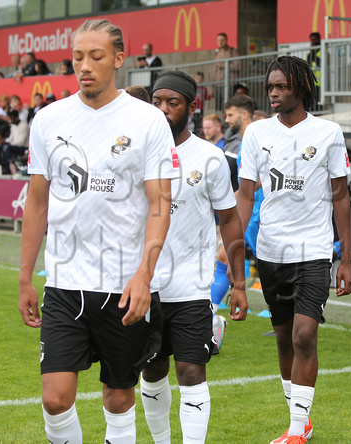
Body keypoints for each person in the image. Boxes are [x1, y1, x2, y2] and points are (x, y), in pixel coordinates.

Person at [17, 19, 177, 443]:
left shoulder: (147, 121)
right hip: (65, 282)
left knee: (119, 399)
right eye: (77, 58)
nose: (84, 66)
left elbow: (160, 203)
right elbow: (36, 202)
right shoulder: (48, 119)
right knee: (55, 398)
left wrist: (144, 273)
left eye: (97, 56)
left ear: (119, 59)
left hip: (124, 284)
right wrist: (24, 277)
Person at [237, 55, 351, 443]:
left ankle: (295, 431)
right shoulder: (255, 134)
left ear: (301, 88)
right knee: (285, 337)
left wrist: (347, 259)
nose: (273, 93)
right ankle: (299, 420)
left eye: (281, 86)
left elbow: (340, 197)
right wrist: (233, 245)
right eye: (270, 87)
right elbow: (245, 195)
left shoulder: (328, 132)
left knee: (305, 335)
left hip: (314, 250)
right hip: (270, 251)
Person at [140, 70, 247, 444]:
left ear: (191, 107)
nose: (163, 109)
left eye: (173, 102)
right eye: (157, 102)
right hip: (144, 289)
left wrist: (239, 282)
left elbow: (231, 221)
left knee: (190, 371)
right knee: (152, 371)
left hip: (192, 288)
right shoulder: (136, 153)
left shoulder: (211, 158)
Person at [209, 95, 256, 348]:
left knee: (227, 259)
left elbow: (259, 179)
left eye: (230, 115)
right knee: (224, 258)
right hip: (246, 212)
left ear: (244, 114)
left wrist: (231, 199)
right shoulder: (241, 141)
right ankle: (210, 319)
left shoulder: (256, 139)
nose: (226, 120)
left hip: (258, 213)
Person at [212, 33, 240, 111]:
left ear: (226, 40)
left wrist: (224, 65)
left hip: (229, 83)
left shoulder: (232, 51)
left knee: (229, 106)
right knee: (218, 107)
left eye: (222, 40)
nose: (220, 42)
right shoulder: (217, 53)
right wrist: (213, 86)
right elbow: (214, 71)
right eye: (218, 40)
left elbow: (238, 66)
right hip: (218, 84)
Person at [193, 72, 211, 136]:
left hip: (200, 108)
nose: (198, 80)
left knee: (200, 120)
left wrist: (211, 95)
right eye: (197, 78)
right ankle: (194, 130)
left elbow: (206, 97)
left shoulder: (204, 89)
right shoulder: (193, 88)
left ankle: (199, 131)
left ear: (202, 80)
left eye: (200, 78)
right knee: (193, 119)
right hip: (194, 107)